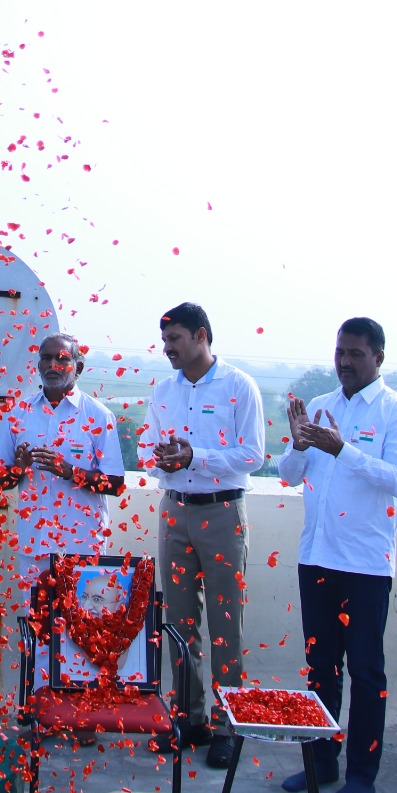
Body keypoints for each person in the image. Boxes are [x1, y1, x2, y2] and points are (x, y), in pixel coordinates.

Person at [278, 317, 397, 793]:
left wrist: (344, 450)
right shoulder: (320, 407)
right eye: (340, 352)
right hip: (316, 557)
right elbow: (287, 475)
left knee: (365, 670)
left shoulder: (396, 413)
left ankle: (363, 772)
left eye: (356, 354)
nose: (344, 362)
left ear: (378, 357)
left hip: (363, 564)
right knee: (321, 665)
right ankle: (321, 761)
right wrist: (300, 445)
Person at [138, 302, 265, 769]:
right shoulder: (164, 389)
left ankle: (226, 725)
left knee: (224, 625)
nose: (168, 348)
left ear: (202, 336)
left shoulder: (238, 386)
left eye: (175, 340)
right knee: (179, 621)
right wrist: (164, 458)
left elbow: (253, 455)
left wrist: (196, 456)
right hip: (175, 513)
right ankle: (187, 718)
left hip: (221, 513)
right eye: (165, 340)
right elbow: (146, 445)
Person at [0, 333, 125, 613]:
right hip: (35, 546)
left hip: (82, 547)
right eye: (46, 358)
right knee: (37, 631)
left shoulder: (97, 416)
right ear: (38, 365)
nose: (53, 365)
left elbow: (115, 484)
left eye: (62, 359)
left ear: (78, 367)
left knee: (83, 630)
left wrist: (70, 472)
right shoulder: (18, 414)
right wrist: (18, 468)